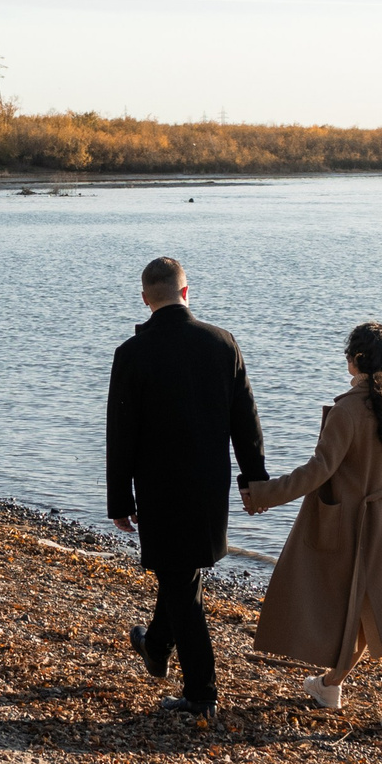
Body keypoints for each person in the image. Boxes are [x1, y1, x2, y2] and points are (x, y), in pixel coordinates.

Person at [241, 321, 382, 733]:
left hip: (357, 528)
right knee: (372, 612)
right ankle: (330, 686)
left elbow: (318, 471)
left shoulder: (349, 410)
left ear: (356, 360)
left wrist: (263, 495)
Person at [106, 256, 269, 715]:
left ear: (145, 299)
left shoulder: (131, 353)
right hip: (209, 487)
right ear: (185, 292)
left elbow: (121, 433)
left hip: (159, 489)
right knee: (181, 575)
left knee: (179, 580)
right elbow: (247, 421)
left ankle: (202, 694)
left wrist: (120, 498)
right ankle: (156, 644)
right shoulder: (222, 343)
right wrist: (253, 480)